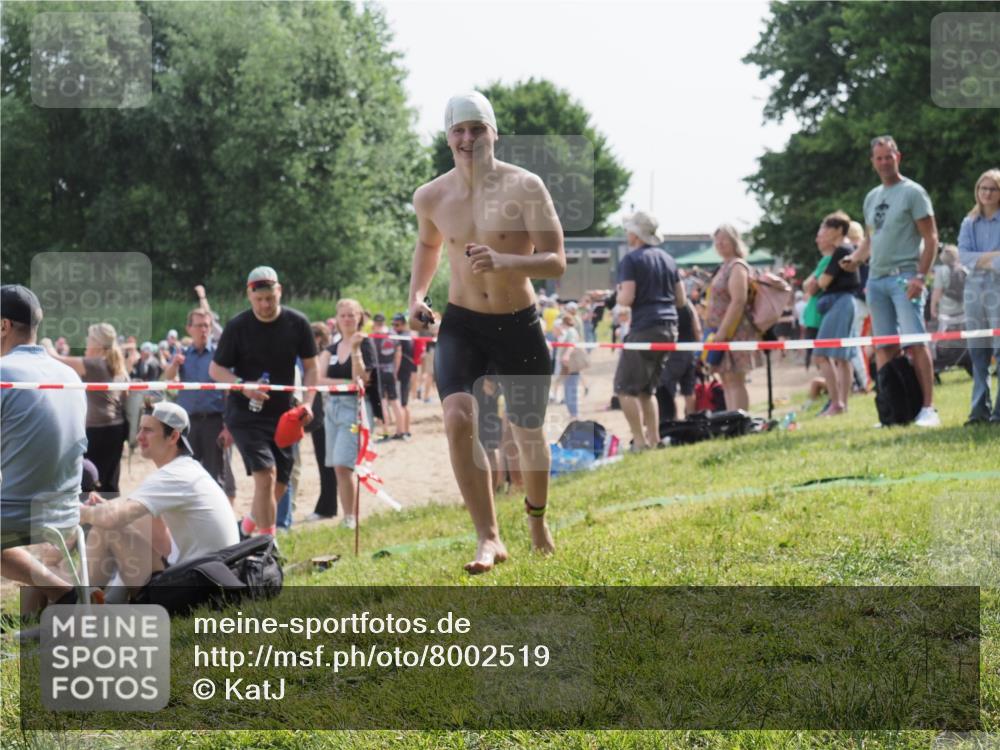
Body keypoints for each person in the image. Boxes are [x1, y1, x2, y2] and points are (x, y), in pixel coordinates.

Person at [407, 91, 565, 573]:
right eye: (459, 129)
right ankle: (488, 537)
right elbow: (428, 246)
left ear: (493, 133)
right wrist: (416, 296)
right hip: (462, 323)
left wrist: (505, 261)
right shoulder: (431, 196)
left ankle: (536, 521)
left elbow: (556, 262)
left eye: (477, 128)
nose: (468, 137)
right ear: (448, 136)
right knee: (457, 418)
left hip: (518, 322)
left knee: (528, 433)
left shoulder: (526, 186)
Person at [80, 402, 239, 594]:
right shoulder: (185, 469)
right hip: (211, 580)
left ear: (173, 436)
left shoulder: (173, 475)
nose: (139, 437)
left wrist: (77, 511)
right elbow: (161, 542)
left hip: (200, 589)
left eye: (148, 430)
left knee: (106, 528)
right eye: (139, 429)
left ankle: (79, 607)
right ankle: (104, 601)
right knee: (134, 519)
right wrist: (108, 508)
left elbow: (111, 519)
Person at [209, 266, 317, 537]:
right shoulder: (237, 326)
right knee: (266, 473)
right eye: (259, 300)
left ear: (279, 291)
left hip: (284, 415)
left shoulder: (298, 323)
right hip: (245, 414)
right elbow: (216, 370)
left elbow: (312, 368)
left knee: (280, 482)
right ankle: (268, 544)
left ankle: (245, 529)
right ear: (249, 296)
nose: (265, 305)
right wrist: (244, 387)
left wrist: (309, 403)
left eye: (270, 298)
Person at [841, 136, 940, 427]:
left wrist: (921, 277)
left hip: (905, 278)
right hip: (876, 280)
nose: (884, 162)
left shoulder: (913, 193)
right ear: (872, 161)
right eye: (879, 158)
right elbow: (872, 239)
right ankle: (891, 412)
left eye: (889, 156)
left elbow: (930, 238)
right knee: (884, 347)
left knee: (915, 342)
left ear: (899, 157)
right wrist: (856, 259)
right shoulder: (871, 197)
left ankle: (928, 409)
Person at [1, 285, 88, 608]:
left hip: (15, 516)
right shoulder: (70, 375)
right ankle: (62, 591)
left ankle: (59, 591)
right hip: (65, 514)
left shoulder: (4, 374)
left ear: (3, 326)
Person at [612, 211, 686, 450]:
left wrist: (619, 295)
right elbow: (681, 300)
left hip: (644, 328)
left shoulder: (631, 260)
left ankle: (640, 441)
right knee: (647, 390)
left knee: (624, 389)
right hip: (669, 328)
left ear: (635, 234)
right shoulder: (668, 259)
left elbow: (626, 298)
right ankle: (654, 439)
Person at [162, 308, 237, 505]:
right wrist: (174, 365)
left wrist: (228, 427)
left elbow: (230, 392)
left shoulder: (220, 356)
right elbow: (167, 379)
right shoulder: (183, 355)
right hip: (187, 424)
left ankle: (217, 517)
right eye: (199, 325)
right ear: (189, 329)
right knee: (186, 474)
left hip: (214, 422)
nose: (204, 330)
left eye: (207, 325)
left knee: (216, 476)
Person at [44, 322, 129, 494]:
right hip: (117, 429)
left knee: (91, 480)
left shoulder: (95, 364)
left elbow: (56, 359)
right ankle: (108, 517)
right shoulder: (118, 365)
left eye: (89, 339)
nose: (86, 343)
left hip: (99, 431)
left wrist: (46, 344)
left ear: (97, 344)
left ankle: (92, 518)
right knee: (110, 481)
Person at [316, 299, 376, 529]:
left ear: (360, 317)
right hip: (332, 407)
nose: (348, 319)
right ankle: (347, 515)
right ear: (337, 319)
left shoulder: (365, 344)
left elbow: (362, 379)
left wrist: (355, 350)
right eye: (343, 315)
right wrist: (344, 382)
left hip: (355, 407)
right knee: (337, 465)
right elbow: (320, 379)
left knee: (344, 463)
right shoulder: (330, 349)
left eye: (352, 315)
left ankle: (351, 517)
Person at [957, 167, 1000, 425]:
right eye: (983, 188)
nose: (986, 193)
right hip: (974, 289)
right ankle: (978, 411)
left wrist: (981, 260)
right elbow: (964, 258)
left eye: (992, 189)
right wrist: (994, 257)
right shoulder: (968, 222)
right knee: (978, 350)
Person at [702, 224, 762, 411]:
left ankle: (739, 421)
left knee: (735, 379)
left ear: (734, 241)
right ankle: (730, 419)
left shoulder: (737, 266)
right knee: (726, 379)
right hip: (720, 330)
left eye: (724, 239)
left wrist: (723, 332)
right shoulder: (723, 266)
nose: (719, 243)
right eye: (717, 240)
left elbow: (738, 301)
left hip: (734, 330)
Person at [812, 211, 861, 417]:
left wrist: (818, 279)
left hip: (840, 302)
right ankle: (841, 404)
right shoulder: (848, 249)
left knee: (822, 354)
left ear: (838, 230)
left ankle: (836, 403)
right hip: (847, 302)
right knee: (843, 357)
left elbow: (822, 282)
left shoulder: (841, 250)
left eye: (827, 228)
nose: (823, 232)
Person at [657, 293, 703, 423]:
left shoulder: (666, 306)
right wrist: (699, 353)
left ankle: (674, 420)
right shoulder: (688, 304)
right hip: (690, 351)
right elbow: (697, 329)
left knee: (668, 388)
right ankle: (692, 419)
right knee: (689, 389)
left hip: (673, 352)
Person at [371, 313, 404, 440]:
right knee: (395, 402)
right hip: (390, 370)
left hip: (378, 371)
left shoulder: (372, 336)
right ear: (384, 322)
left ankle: (385, 432)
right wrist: (395, 370)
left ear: (374, 323)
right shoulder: (392, 334)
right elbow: (398, 354)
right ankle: (400, 431)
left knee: (382, 403)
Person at [391, 312, 416, 440]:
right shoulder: (403, 335)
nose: (394, 326)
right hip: (403, 372)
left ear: (403, 324)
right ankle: (402, 430)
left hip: (403, 372)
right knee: (402, 403)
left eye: (397, 324)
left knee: (403, 403)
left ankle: (405, 431)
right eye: (393, 324)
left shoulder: (404, 336)